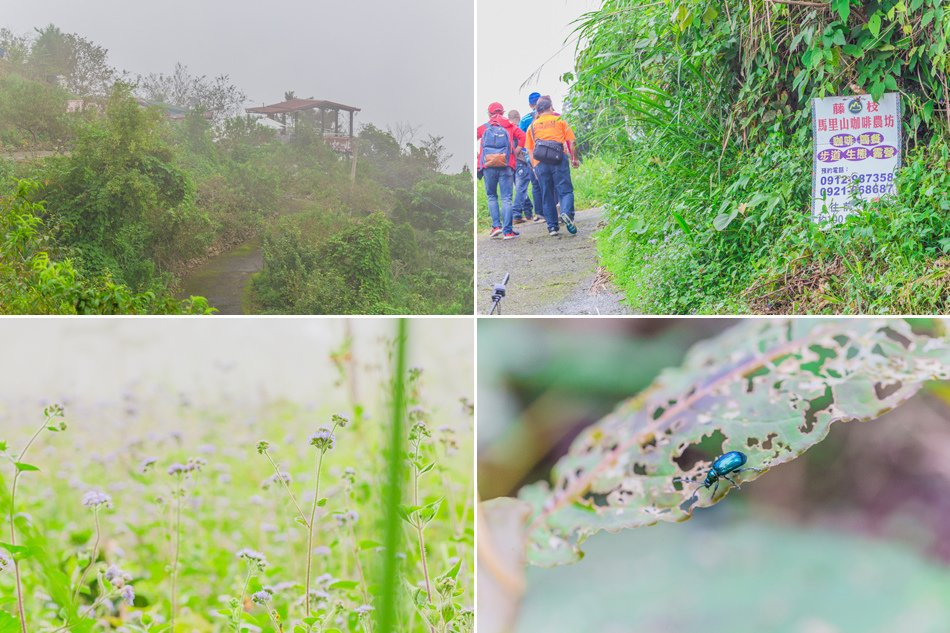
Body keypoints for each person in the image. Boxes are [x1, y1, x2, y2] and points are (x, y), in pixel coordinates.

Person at [525, 96, 579, 237]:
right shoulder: (559, 120)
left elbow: (530, 150)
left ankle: (552, 227)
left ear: (538, 110)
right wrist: (574, 158)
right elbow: (572, 141)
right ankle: (566, 213)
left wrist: (535, 167)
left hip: (541, 162)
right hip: (558, 159)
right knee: (565, 190)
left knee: (546, 193)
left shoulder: (532, 126)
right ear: (550, 107)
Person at [477, 102, 526, 240]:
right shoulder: (510, 126)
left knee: (492, 196)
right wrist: (515, 152)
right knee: (506, 198)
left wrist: (477, 155)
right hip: (506, 165)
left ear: (489, 114)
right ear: (503, 112)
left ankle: (496, 227)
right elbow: (523, 137)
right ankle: (508, 231)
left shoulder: (484, 128)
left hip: (488, 166)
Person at [519, 93, 545, 224]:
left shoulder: (524, 120)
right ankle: (554, 210)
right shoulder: (549, 115)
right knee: (549, 183)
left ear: (530, 104)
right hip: (548, 154)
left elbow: (521, 139)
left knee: (535, 185)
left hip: (531, 156)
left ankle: (539, 213)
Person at [508, 109, 536, 224]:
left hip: (509, 164)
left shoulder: (505, 130)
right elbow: (525, 142)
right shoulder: (517, 129)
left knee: (520, 188)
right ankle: (516, 214)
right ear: (518, 117)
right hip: (520, 161)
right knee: (521, 188)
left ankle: (528, 212)